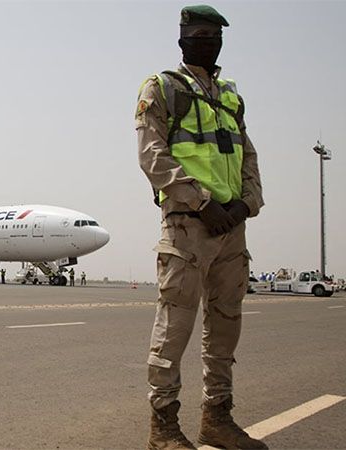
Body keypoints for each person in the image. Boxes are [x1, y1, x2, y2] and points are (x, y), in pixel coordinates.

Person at [135, 5, 266, 449]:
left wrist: (248, 204)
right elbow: (152, 157)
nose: (208, 42)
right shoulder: (162, 88)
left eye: (215, 36)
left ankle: (218, 418)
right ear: (182, 40)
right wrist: (202, 202)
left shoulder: (231, 95)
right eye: (199, 35)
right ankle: (164, 428)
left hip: (232, 229)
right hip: (189, 227)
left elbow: (248, 156)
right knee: (174, 329)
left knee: (225, 329)